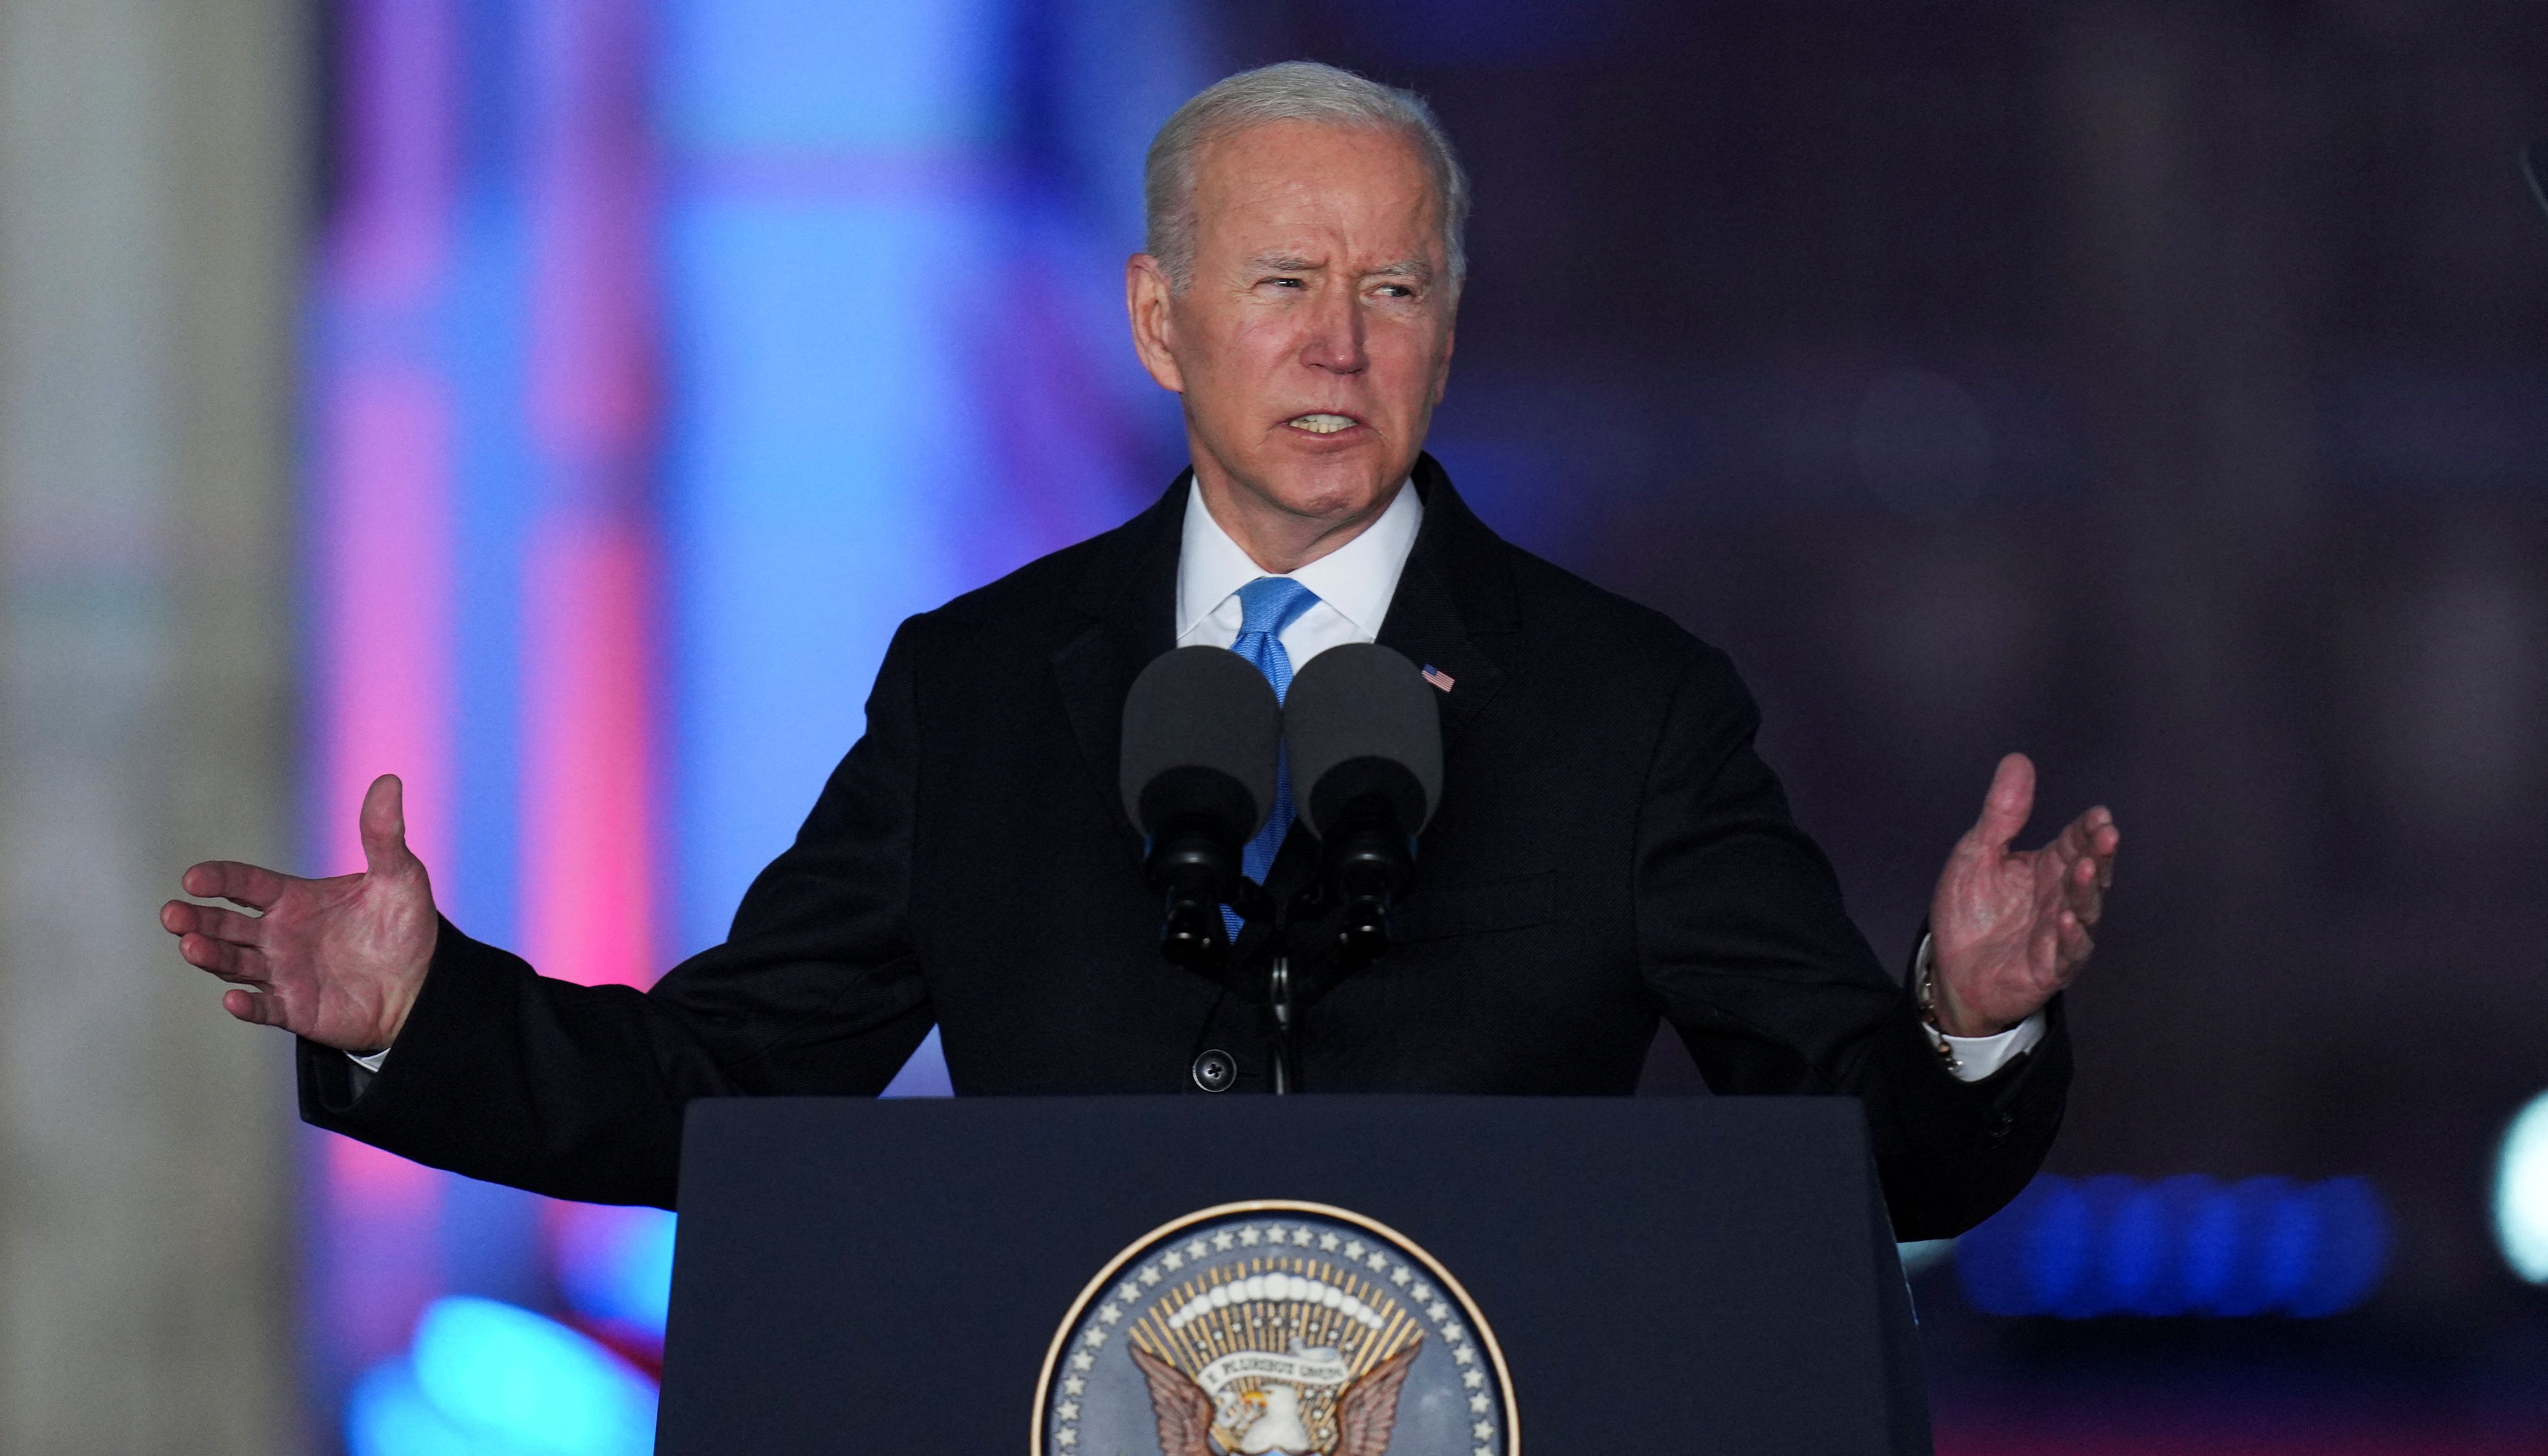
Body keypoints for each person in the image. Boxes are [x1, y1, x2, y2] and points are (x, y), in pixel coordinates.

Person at [160, 63, 2117, 1233]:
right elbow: (727, 1074)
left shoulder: (1628, 708)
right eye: (1283, 284)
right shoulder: (983, 688)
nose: (1341, 345)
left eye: (1395, 289)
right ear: (1161, 318)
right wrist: (424, 1015)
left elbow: (1864, 1152)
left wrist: (1963, 1017)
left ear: (1448, 327)